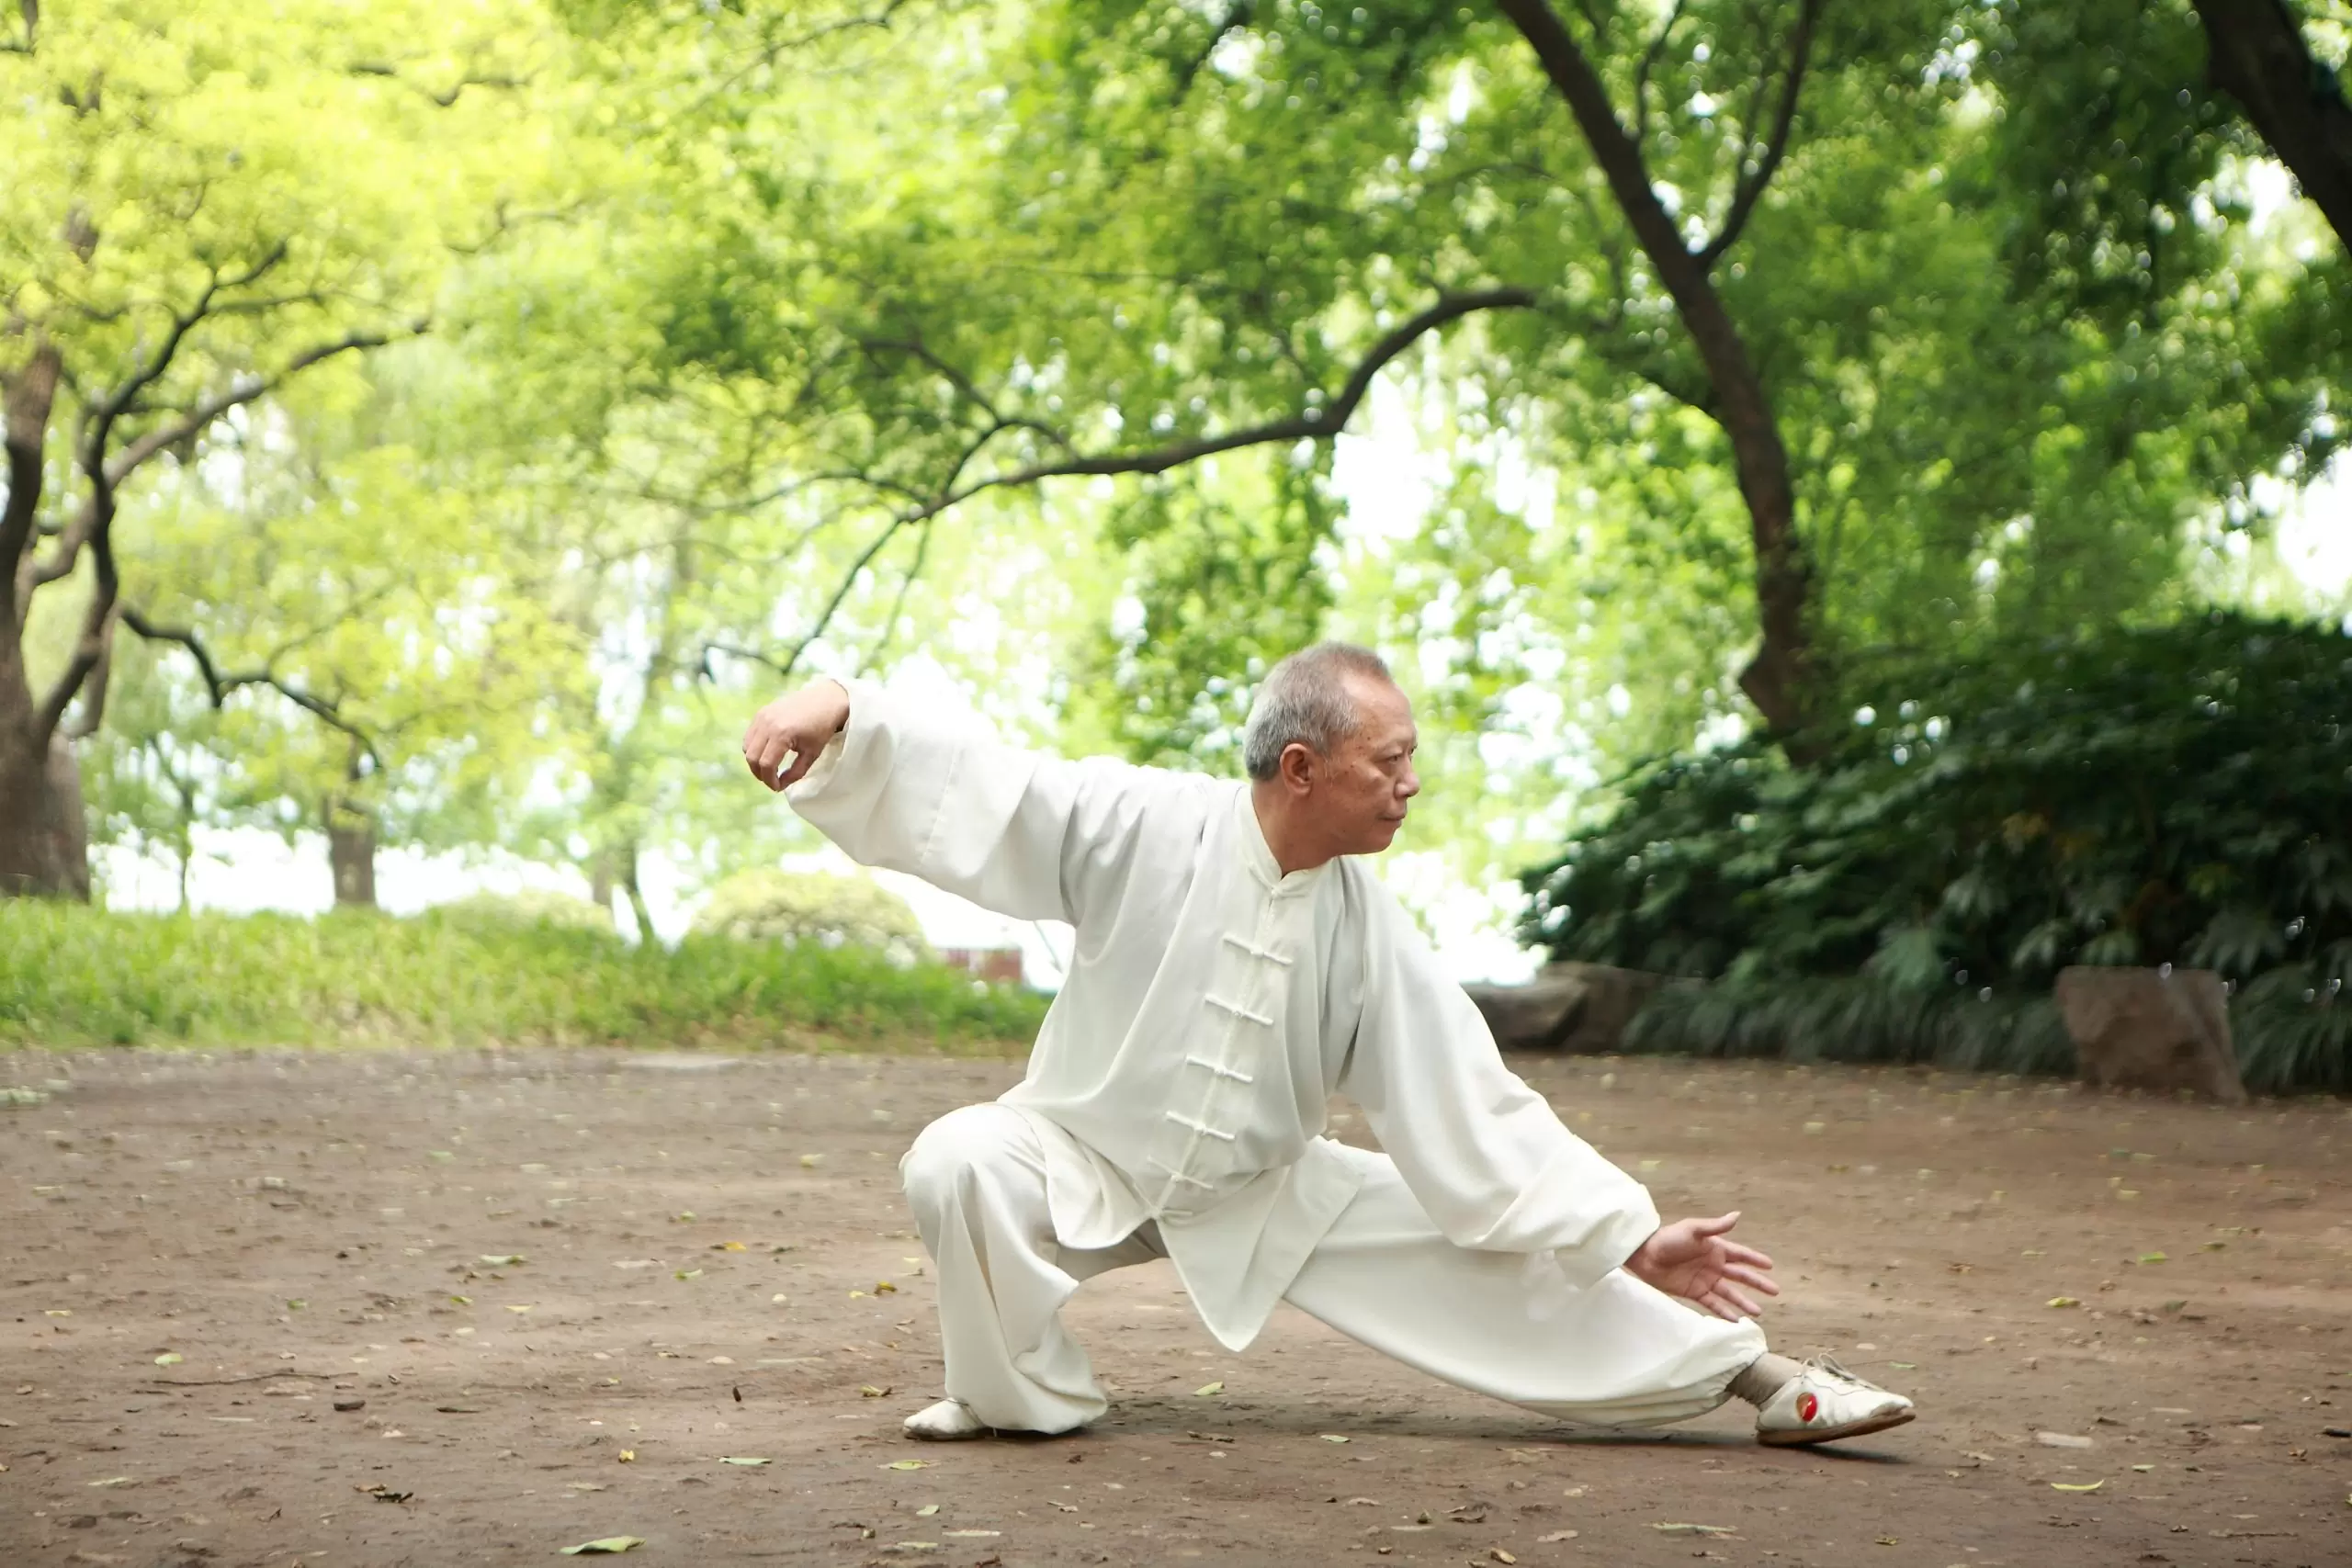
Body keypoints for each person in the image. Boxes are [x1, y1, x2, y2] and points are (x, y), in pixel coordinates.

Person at [740, 643, 1915, 1448]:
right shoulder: (1142, 823)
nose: (1411, 785)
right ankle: (1015, 1400)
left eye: (1409, 759)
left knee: (1493, 1248)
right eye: (1388, 762)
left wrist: (1629, 1233)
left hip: (1265, 1189)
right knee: (957, 1158)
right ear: (1300, 769)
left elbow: (1470, 1104)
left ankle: (1763, 1380)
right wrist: (841, 706)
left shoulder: (1366, 923)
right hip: (1080, 1155)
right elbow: (988, 791)